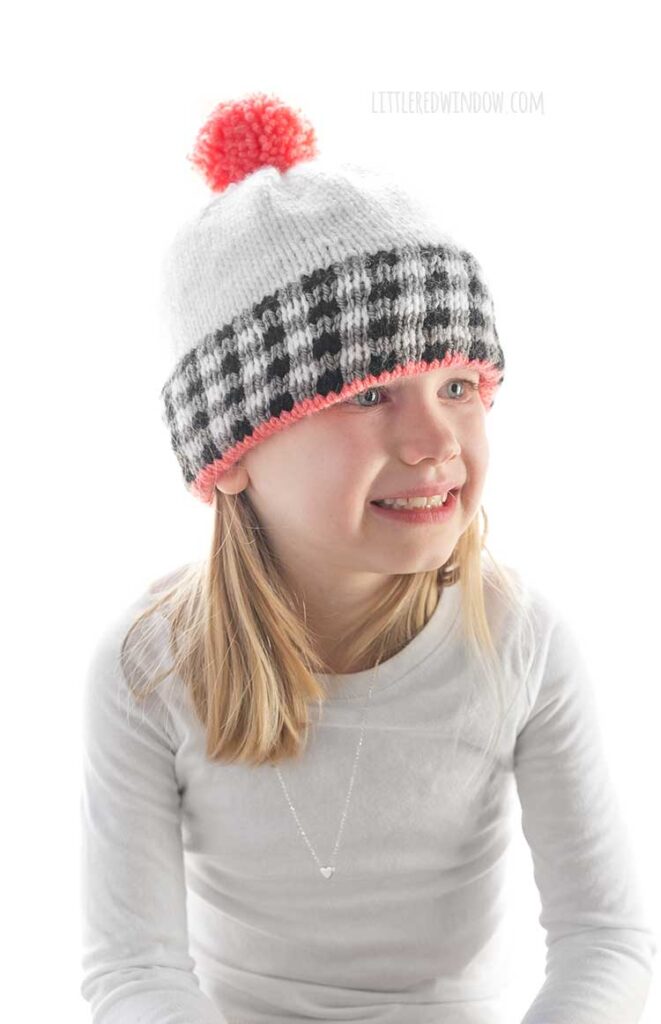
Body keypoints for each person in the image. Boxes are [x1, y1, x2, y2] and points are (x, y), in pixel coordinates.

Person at [79, 92, 656, 1024]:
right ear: (231, 457)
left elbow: (605, 938)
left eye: (459, 384)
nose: (436, 442)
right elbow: (135, 973)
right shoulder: (150, 667)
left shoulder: (517, 639)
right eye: (370, 395)